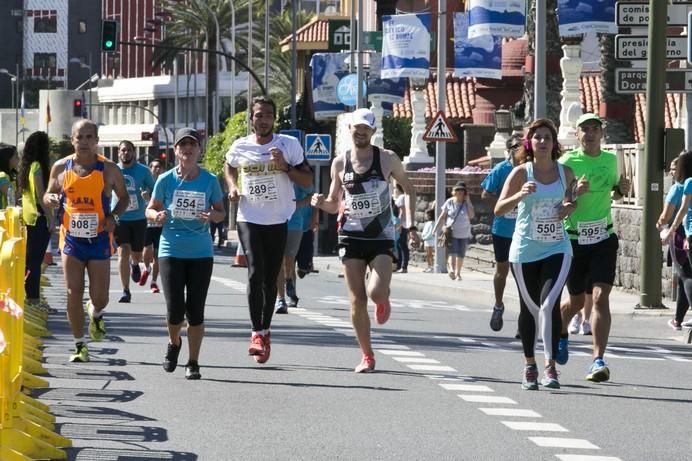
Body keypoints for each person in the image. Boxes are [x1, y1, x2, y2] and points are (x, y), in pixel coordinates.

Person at [311, 107, 419, 373]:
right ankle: (367, 355)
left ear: (372, 131)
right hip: (350, 235)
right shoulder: (340, 163)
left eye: (365, 129)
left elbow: (409, 188)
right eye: (356, 128)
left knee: (375, 292)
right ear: (350, 130)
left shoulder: (387, 159)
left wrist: (410, 225)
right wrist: (319, 203)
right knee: (357, 299)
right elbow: (334, 203)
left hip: (381, 236)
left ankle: (384, 299)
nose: (360, 132)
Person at [225, 96, 313, 364]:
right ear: (250, 119)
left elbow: (307, 179)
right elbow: (229, 166)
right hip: (249, 216)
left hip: (278, 218)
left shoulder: (289, 145)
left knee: (269, 277)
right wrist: (232, 186)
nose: (262, 120)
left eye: (267, 115)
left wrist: (284, 167)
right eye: (258, 115)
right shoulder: (240, 146)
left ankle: (265, 329)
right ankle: (256, 333)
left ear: (274, 119)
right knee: (255, 273)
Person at [495, 118, 581, 390]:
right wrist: (520, 195)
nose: (542, 141)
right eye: (537, 137)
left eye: (547, 137)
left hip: (557, 247)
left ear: (554, 143)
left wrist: (570, 206)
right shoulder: (521, 173)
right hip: (525, 250)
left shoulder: (565, 172)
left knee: (549, 304)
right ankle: (529, 364)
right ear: (529, 143)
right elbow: (499, 209)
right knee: (530, 308)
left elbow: (571, 203)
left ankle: (550, 367)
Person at [43, 119, 129, 362]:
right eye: (79, 137)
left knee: (100, 296)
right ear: (72, 140)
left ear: (97, 141)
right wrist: (49, 198)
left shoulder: (109, 169)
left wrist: (113, 216)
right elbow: (48, 193)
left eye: (89, 137)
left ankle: (96, 312)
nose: (84, 142)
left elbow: (124, 199)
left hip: (100, 238)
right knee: (73, 291)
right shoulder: (61, 168)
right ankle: (80, 344)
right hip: (71, 239)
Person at [146, 127, 225, 380]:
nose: (188, 149)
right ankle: (174, 343)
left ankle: (193, 361)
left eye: (192, 145)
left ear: (199, 150)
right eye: (183, 145)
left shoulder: (210, 180)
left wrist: (212, 216)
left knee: (196, 310)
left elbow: (221, 212)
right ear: (176, 151)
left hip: (201, 251)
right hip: (171, 248)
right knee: (174, 310)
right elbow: (151, 208)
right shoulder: (166, 179)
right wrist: (156, 215)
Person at [558, 113, 631, 383]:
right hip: (574, 239)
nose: (590, 134)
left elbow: (615, 191)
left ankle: (598, 360)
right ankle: (561, 331)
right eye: (585, 130)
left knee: (600, 297)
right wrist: (575, 192)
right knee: (576, 301)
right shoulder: (567, 162)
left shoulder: (611, 160)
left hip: (604, 236)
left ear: (602, 134)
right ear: (577, 135)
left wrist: (622, 189)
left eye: (595, 129)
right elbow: (558, 204)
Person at [482, 133, 522, 331]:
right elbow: (485, 193)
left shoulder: (531, 170)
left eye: (522, 146)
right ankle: (498, 305)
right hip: (503, 229)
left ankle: (525, 318)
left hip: (525, 230)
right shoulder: (501, 169)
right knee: (502, 270)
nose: (519, 149)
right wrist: (502, 205)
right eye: (515, 146)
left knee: (524, 274)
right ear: (509, 150)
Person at [113, 140, 155, 303]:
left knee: (136, 253)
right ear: (118, 152)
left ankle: (135, 263)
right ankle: (125, 290)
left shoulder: (143, 171)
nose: (126, 153)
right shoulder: (113, 170)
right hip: (119, 217)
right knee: (122, 251)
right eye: (123, 150)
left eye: (129, 150)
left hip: (138, 218)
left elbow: (154, 189)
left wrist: (148, 196)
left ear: (134, 152)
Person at [19, 131, 55, 308]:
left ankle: (31, 297)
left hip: (28, 217)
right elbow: (41, 195)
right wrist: (50, 217)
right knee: (35, 261)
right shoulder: (38, 167)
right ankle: (33, 299)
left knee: (30, 261)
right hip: (38, 218)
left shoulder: (26, 166)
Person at [660, 151, 692, 330]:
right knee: (683, 278)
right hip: (685, 233)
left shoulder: (681, 186)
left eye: (675, 167)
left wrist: (665, 227)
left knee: (686, 275)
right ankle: (678, 319)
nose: (672, 172)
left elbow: (674, 213)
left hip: (683, 234)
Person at [275, 182, 314, 314]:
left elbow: (312, 195)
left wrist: (297, 204)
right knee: (278, 262)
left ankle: (289, 281)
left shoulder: (298, 178)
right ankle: (281, 299)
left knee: (289, 260)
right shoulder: (273, 175)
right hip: (274, 222)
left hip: (295, 224)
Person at [432, 181, 474, 281]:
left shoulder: (467, 203)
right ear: (454, 191)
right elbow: (442, 216)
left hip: (464, 233)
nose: (460, 192)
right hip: (452, 232)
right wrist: (435, 228)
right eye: (457, 190)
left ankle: (458, 273)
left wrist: (468, 201)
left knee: (461, 254)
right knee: (452, 252)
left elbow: (471, 216)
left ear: (465, 192)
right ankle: (451, 269)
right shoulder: (450, 202)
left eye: (462, 190)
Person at [142, 159, 165, 293]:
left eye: (158, 167)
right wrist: (145, 198)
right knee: (146, 251)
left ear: (161, 169)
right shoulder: (145, 184)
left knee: (157, 254)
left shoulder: (163, 184)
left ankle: (154, 282)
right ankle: (146, 268)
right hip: (146, 223)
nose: (156, 169)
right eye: (153, 167)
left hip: (160, 224)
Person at [393, 183, 410, 273]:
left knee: (402, 245)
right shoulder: (402, 197)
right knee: (400, 245)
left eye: (395, 188)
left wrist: (399, 224)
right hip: (402, 224)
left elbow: (402, 211)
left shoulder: (402, 197)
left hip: (402, 224)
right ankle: (399, 265)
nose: (394, 190)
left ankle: (404, 266)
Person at [0, 143, 19, 208]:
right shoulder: (2, 176)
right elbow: (12, 199)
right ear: (8, 159)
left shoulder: (12, 174)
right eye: (16, 156)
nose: (18, 159)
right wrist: (22, 186)